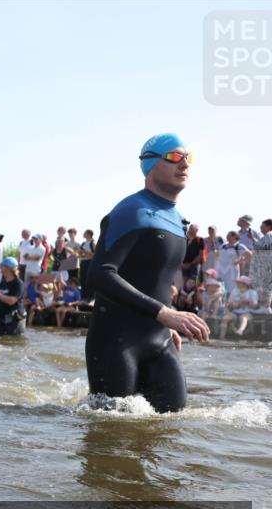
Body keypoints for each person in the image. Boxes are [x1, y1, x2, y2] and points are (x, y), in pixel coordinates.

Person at [85, 133, 210, 413]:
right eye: (175, 157)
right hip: (116, 341)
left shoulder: (179, 221)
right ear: (150, 165)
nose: (184, 164)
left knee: (171, 425)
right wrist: (164, 313)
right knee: (112, 434)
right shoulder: (131, 211)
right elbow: (100, 275)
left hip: (160, 339)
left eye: (188, 158)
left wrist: (166, 317)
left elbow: (155, 276)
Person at [0, 256, 25, 335]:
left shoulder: (18, 283)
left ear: (7, 268)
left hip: (14, 321)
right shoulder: (3, 282)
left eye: (2, 266)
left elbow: (12, 301)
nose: (0, 268)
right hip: (1, 319)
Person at [78, 229, 96, 302]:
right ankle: (84, 297)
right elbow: (81, 254)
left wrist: (85, 251)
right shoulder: (83, 243)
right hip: (83, 262)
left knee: (89, 279)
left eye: (85, 233)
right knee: (83, 280)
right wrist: (81, 253)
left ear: (88, 234)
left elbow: (95, 254)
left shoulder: (93, 242)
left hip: (90, 262)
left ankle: (91, 297)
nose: (83, 234)